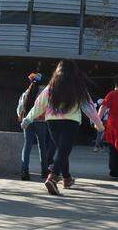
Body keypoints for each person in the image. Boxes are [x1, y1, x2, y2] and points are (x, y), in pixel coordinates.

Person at [20, 60, 103, 195]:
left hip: (52, 122)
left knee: (62, 150)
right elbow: (89, 107)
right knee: (64, 150)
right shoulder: (78, 86)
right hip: (71, 122)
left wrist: (28, 119)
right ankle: (52, 178)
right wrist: (99, 125)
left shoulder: (51, 86)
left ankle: (66, 178)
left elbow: (39, 105)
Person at [17, 71, 52, 181]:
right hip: (41, 122)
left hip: (28, 122)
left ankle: (24, 171)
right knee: (42, 146)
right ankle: (44, 172)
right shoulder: (45, 92)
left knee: (27, 146)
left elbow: (20, 108)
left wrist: (21, 118)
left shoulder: (26, 92)